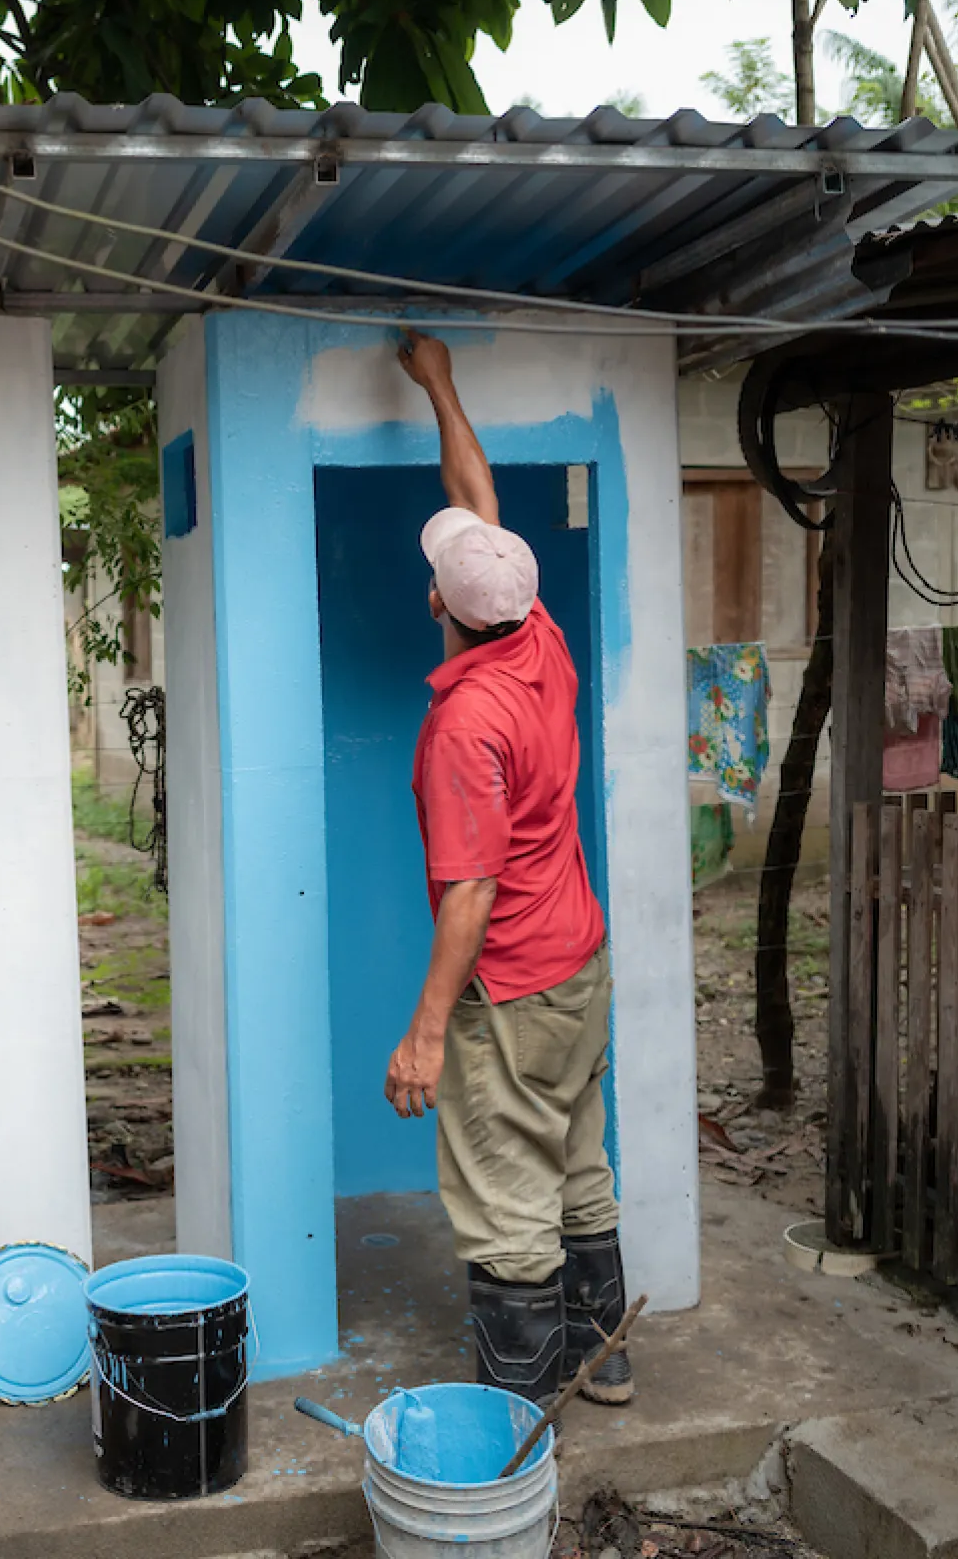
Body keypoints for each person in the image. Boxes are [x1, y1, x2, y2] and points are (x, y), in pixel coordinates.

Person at [383, 332, 631, 1408]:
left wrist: (427, 1032)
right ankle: (604, 1356)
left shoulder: (463, 727)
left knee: (505, 1197)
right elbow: (475, 496)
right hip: (581, 957)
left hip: (516, 985)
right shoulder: (542, 638)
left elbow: (472, 891)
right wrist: (439, 384)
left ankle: (521, 1418)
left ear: (440, 603)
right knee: (580, 1162)